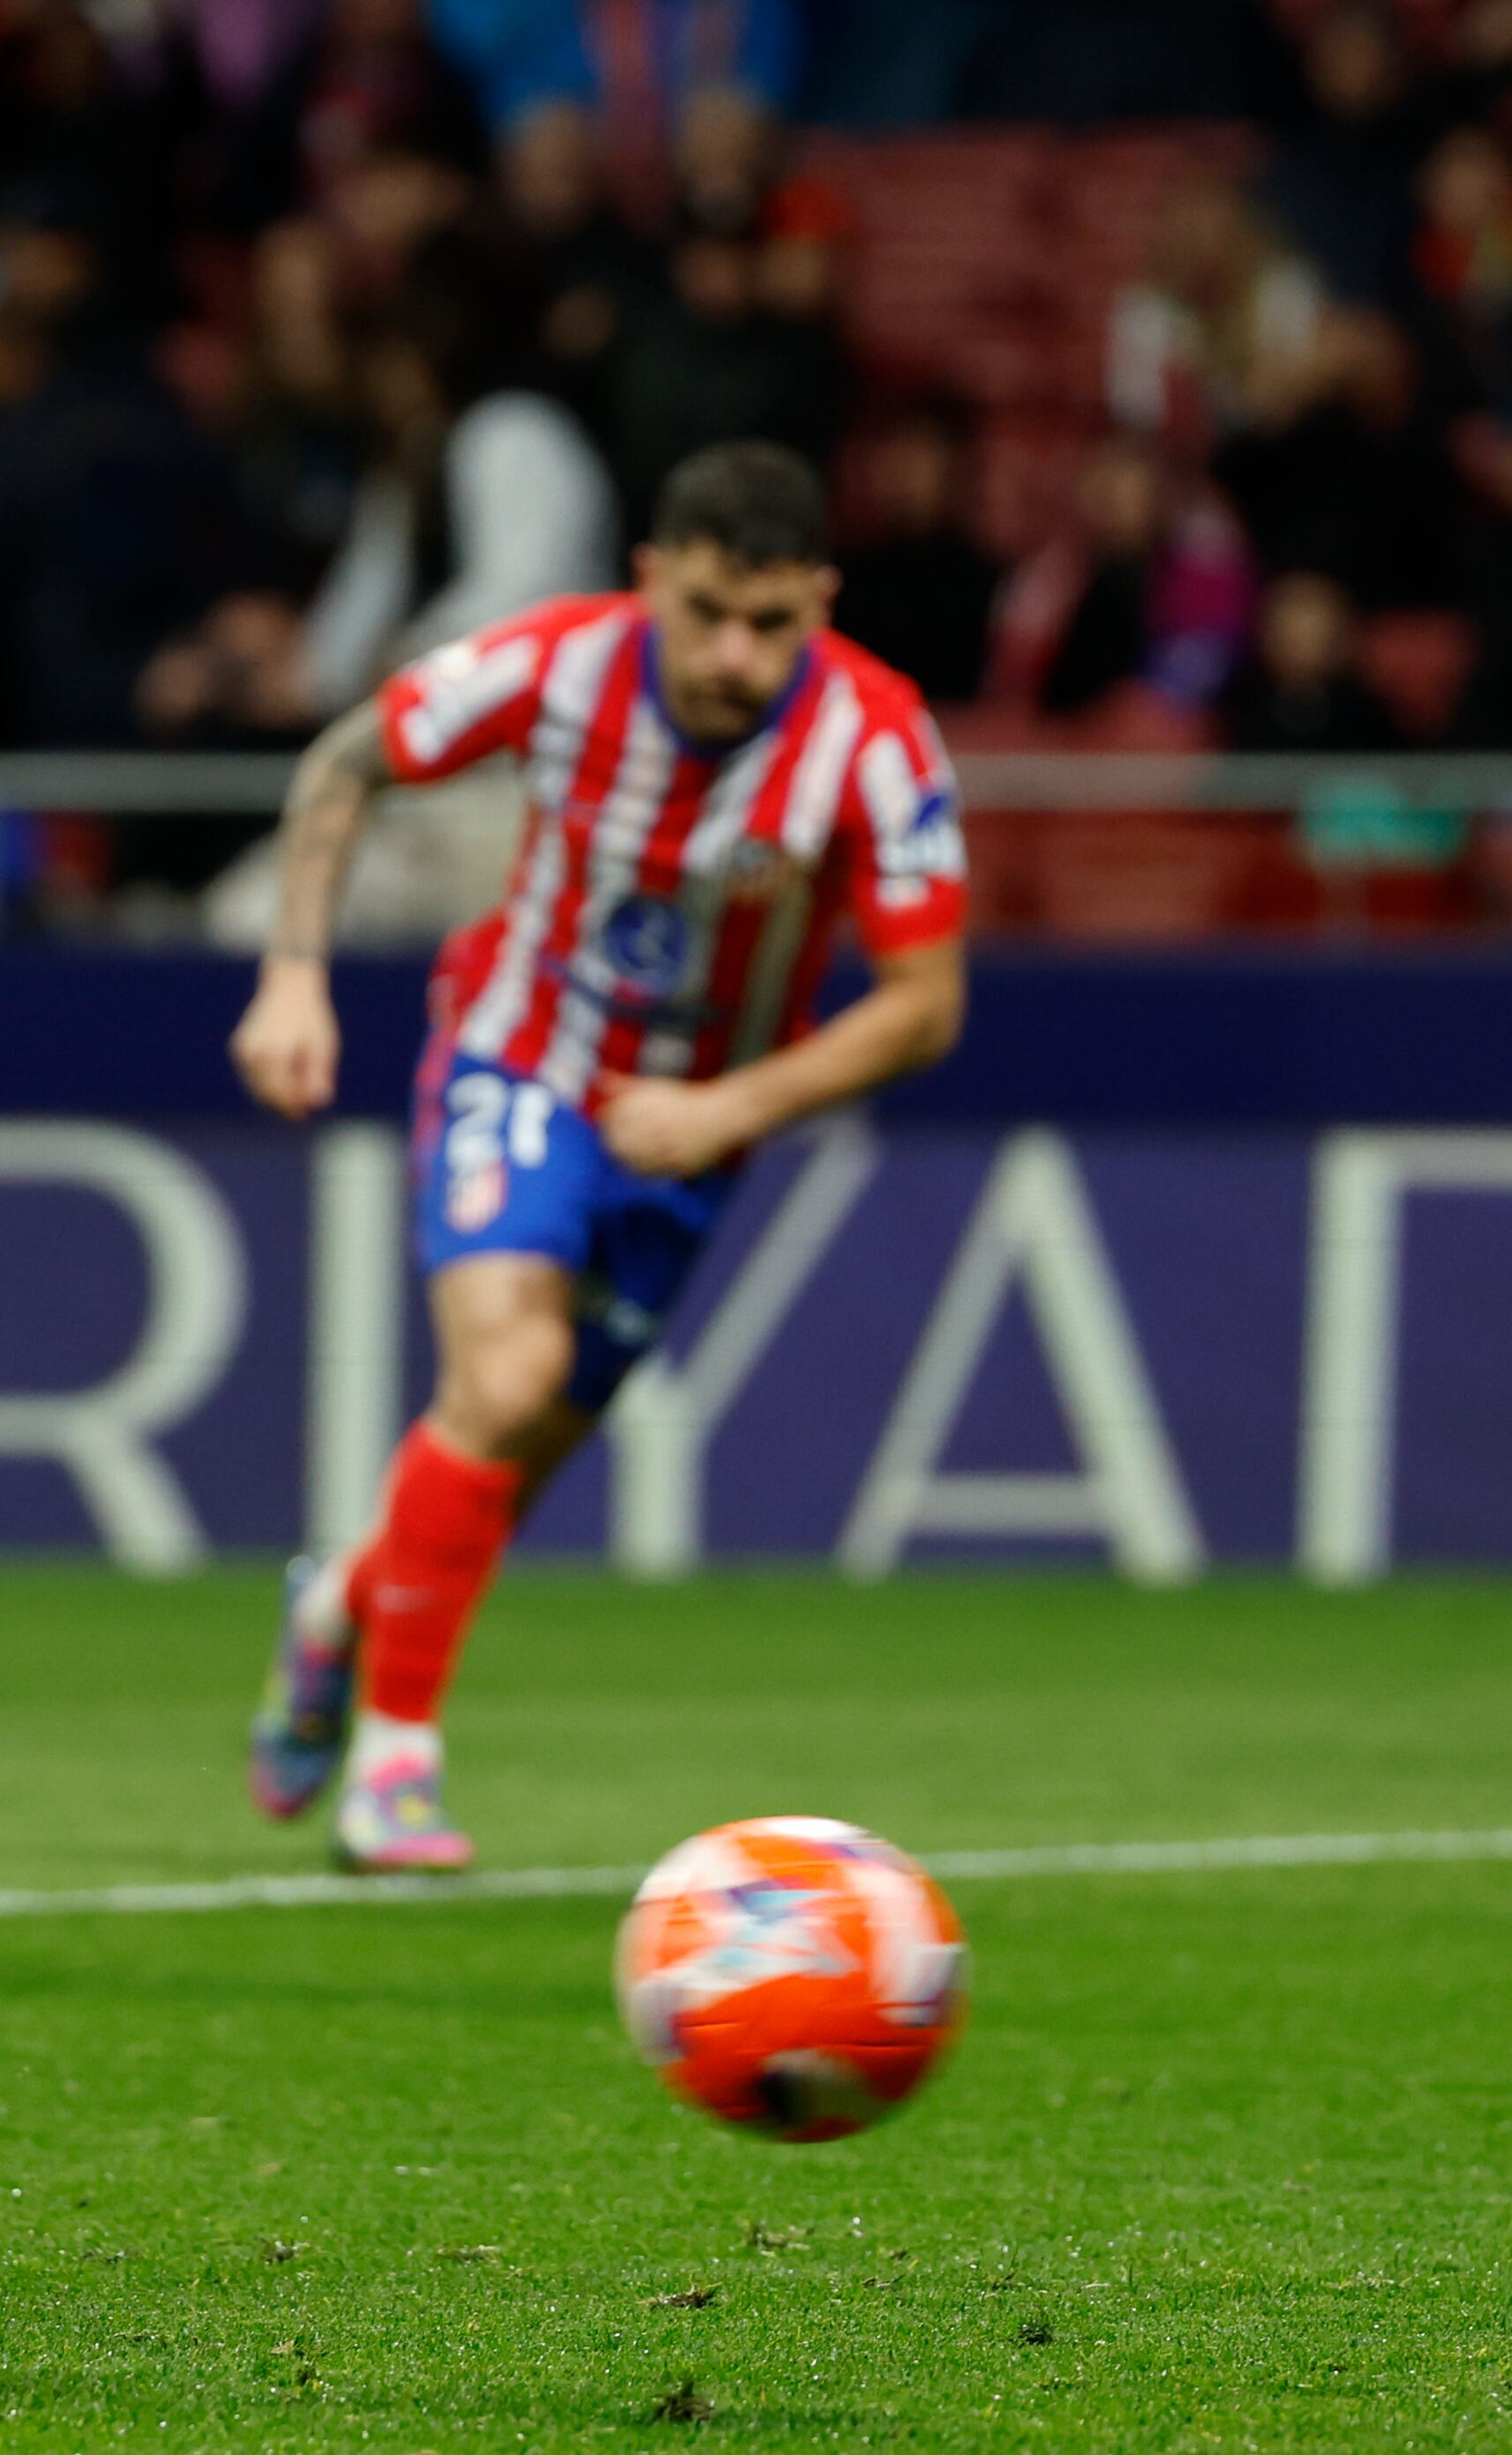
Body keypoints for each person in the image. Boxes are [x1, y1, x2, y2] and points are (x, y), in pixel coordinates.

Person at [229, 441, 968, 1871]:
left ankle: (338, 1606)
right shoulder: (558, 664)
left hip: (692, 1130)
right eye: (706, 612)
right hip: (523, 1056)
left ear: (820, 600)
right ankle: (394, 1773)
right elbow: (344, 763)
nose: (734, 656)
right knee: (499, 1382)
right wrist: (293, 975)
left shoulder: (878, 740)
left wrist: (728, 1111)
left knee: (513, 1456)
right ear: (651, 582)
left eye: (772, 624)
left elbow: (925, 1005)